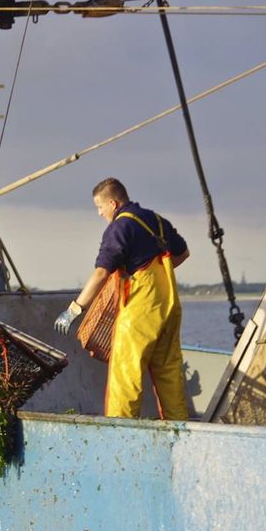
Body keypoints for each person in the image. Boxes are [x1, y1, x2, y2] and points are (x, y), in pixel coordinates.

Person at [54, 177, 190, 420]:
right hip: (169, 307)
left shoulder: (119, 227)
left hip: (141, 311)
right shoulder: (157, 220)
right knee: (169, 372)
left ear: (113, 204)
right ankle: (179, 430)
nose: (99, 213)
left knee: (127, 373)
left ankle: (120, 433)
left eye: (100, 207)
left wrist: (74, 309)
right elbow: (182, 253)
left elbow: (101, 273)